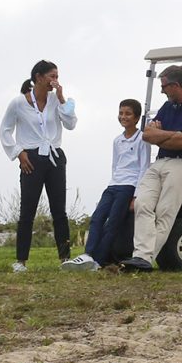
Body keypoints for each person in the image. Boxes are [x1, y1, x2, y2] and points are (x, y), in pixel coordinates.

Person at [122, 65, 182, 271]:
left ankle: (144, 258)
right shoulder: (166, 107)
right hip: (162, 162)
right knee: (143, 204)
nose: (162, 91)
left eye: (164, 86)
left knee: (165, 210)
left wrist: (165, 137)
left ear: (175, 85)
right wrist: (176, 136)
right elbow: (147, 135)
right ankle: (141, 257)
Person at [0, 59, 79, 272]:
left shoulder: (57, 101)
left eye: (57, 77)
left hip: (54, 157)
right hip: (31, 158)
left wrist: (61, 99)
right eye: (52, 76)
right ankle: (21, 261)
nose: (55, 81)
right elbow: (5, 130)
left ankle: (65, 258)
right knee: (28, 210)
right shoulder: (18, 103)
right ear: (38, 78)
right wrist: (18, 152)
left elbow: (70, 124)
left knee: (59, 211)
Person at [65, 99, 150, 269]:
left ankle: (99, 261)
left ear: (136, 117)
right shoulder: (117, 140)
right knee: (97, 218)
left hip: (129, 186)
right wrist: (112, 183)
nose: (123, 117)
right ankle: (87, 255)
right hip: (113, 185)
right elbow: (115, 165)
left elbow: (144, 167)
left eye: (128, 114)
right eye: (121, 113)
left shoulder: (142, 138)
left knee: (113, 223)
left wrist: (136, 195)